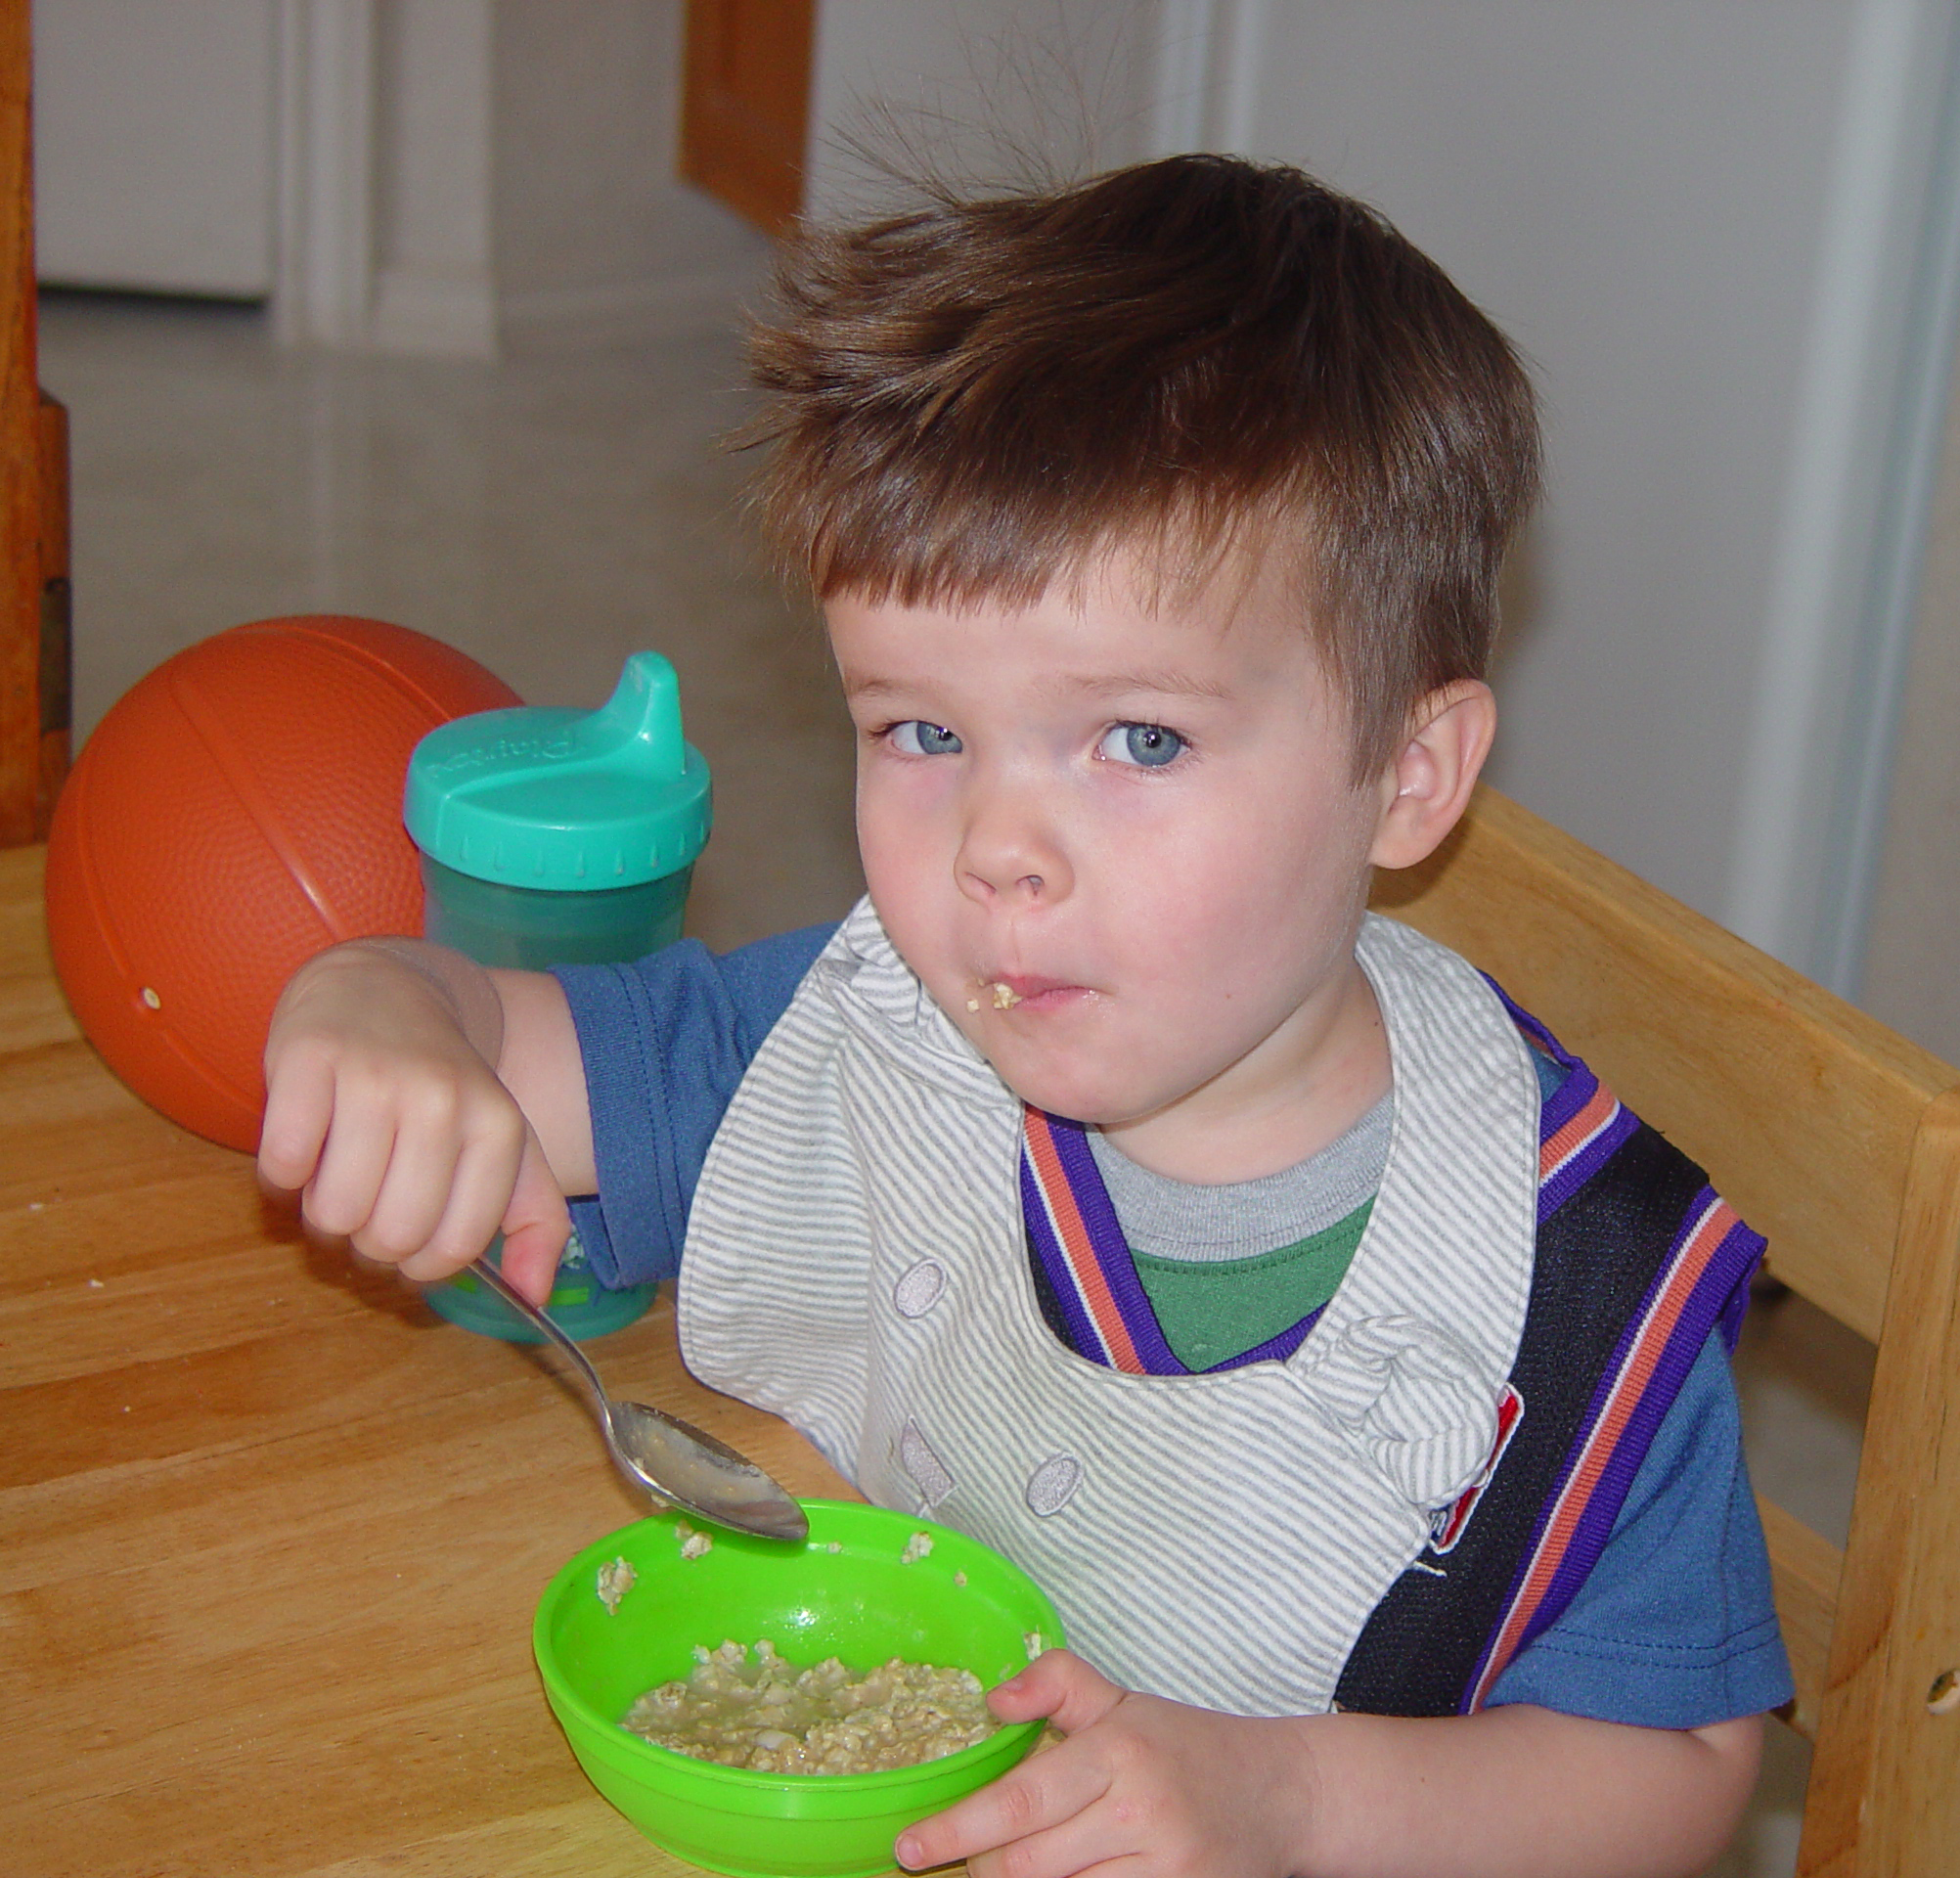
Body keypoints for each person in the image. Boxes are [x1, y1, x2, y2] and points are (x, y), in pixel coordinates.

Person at [260, 154, 1792, 1877]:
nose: (995, 853)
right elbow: (507, 1049)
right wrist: (384, 1003)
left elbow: (1672, 1775)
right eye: (921, 733)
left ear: (1409, 776)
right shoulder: (893, 1033)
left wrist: (1289, 1805)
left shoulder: (1571, 1272)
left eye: (1137, 741)